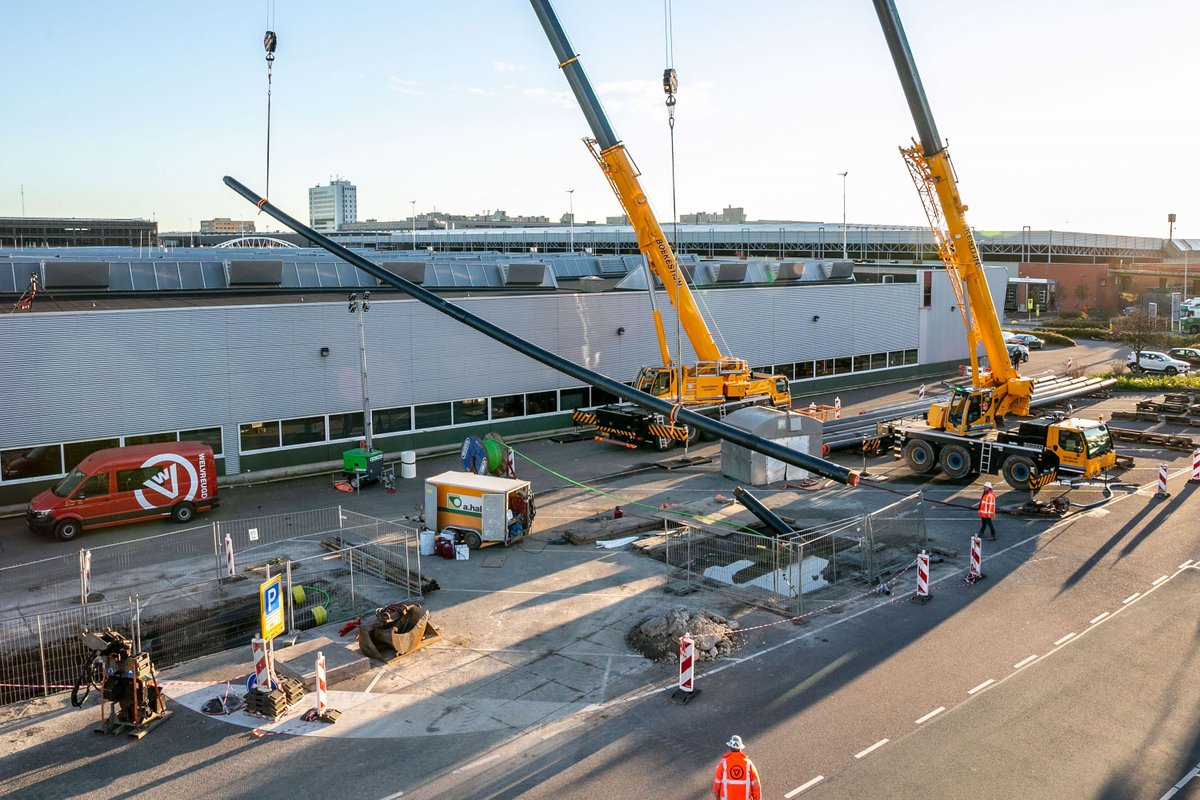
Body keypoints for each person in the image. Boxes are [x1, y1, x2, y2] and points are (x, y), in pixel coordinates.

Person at [713, 734, 761, 800]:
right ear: (740, 748)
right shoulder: (748, 764)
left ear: (730, 747)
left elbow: (716, 784)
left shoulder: (723, 763)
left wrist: (717, 798)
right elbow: (756, 786)